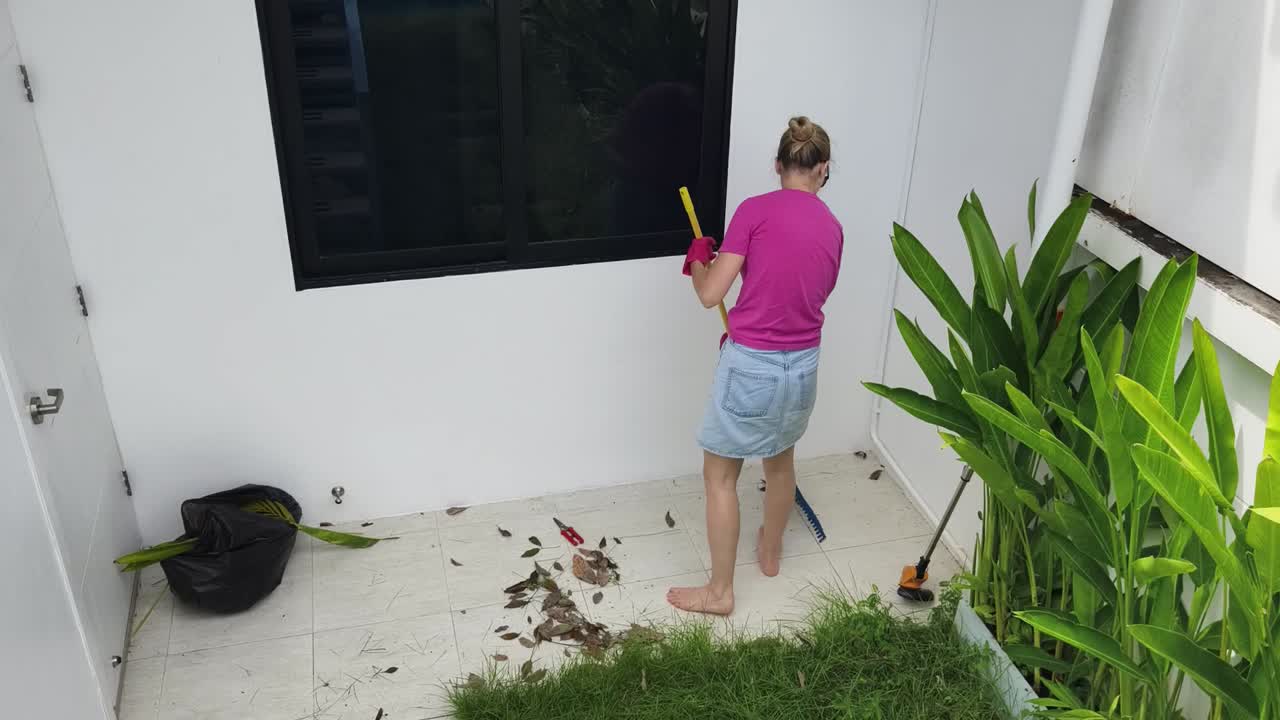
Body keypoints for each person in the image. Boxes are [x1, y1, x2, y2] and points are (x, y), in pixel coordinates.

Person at [668, 116, 843, 615]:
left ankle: (720, 592)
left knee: (720, 477)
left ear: (778, 166)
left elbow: (709, 294)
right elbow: (808, 291)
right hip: (803, 364)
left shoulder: (754, 212)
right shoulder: (832, 226)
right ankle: (770, 551)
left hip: (752, 366)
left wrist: (700, 257)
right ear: (824, 170)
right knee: (781, 461)